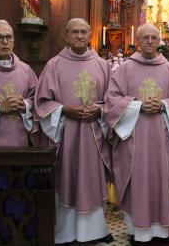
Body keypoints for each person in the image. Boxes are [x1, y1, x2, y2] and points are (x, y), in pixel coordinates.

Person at [104, 23, 169, 245]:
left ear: (159, 40)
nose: (150, 41)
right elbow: (111, 100)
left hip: (162, 138)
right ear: (138, 41)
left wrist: (163, 105)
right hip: (133, 137)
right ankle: (138, 231)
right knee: (137, 179)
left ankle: (161, 231)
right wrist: (138, 106)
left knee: (162, 177)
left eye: (154, 37)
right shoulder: (124, 69)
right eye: (145, 38)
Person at [34, 18, 113, 245]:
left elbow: (113, 100)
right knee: (66, 177)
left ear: (90, 36)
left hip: (93, 134)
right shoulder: (54, 65)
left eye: (84, 32)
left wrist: (99, 111)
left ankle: (94, 231)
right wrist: (64, 110)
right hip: (66, 133)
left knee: (92, 178)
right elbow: (41, 102)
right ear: (66, 36)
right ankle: (65, 233)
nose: (79, 36)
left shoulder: (102, 65)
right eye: (74, 32)